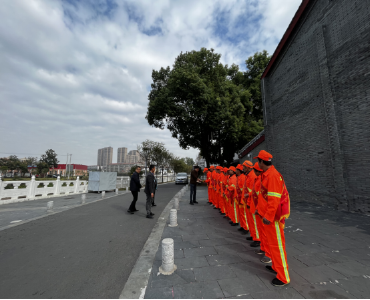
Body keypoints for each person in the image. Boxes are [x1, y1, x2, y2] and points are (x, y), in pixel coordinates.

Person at [254, 150, 290, 286]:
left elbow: (274, 200)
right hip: (267, 217)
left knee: (277, 246)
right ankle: (276, 267)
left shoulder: (273, 176)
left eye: (258, 161)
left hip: (272, 218)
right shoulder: (267, 175)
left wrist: (268, 216)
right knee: (273, 245)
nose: (258, 163)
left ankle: (283, 277)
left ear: (263, 162)